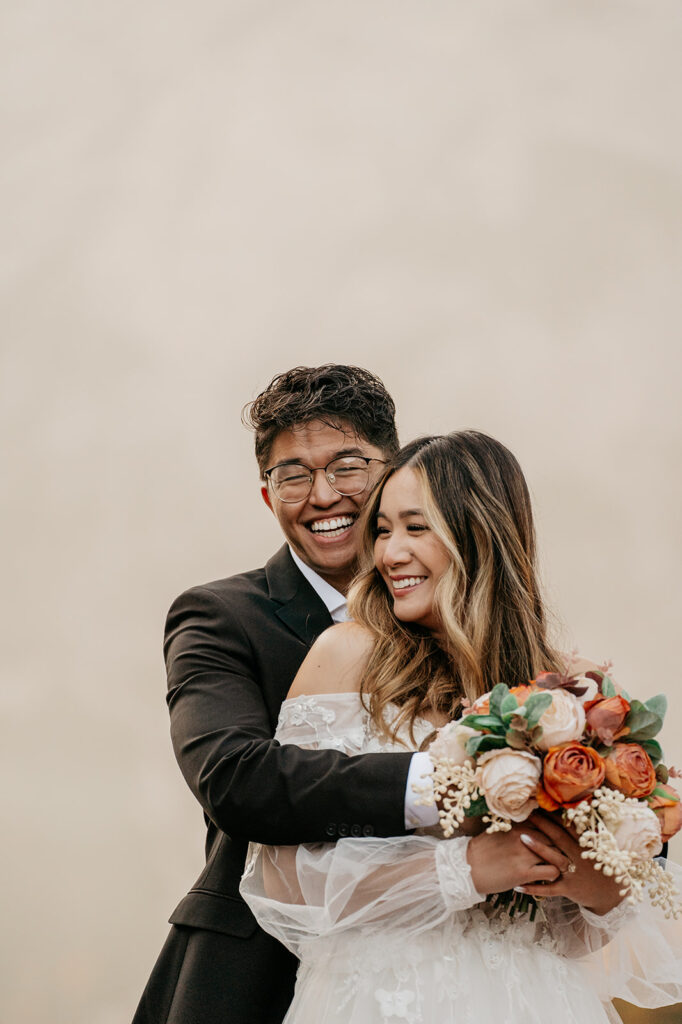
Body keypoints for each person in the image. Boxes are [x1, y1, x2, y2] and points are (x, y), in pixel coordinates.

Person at [240, 431, 682, 1024]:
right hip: (383, 999)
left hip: (539, 1000)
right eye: (382, 530)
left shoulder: (571, 693)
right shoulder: (346, 654)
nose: (390, 553)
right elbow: (284, 879)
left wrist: (594, 888)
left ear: (480, 536)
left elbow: (587, 932)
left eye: (415, 528)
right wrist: (466, 868)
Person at [134, 366, 453, 1024]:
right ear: (266, 494)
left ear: (393, 473)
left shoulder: (457, 619)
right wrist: (447, 786)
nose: (322, 495)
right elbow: (234, 779)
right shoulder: (219, 616)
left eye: (347, 466)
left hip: (448, 968)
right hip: (259, 972)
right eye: (293, 475)